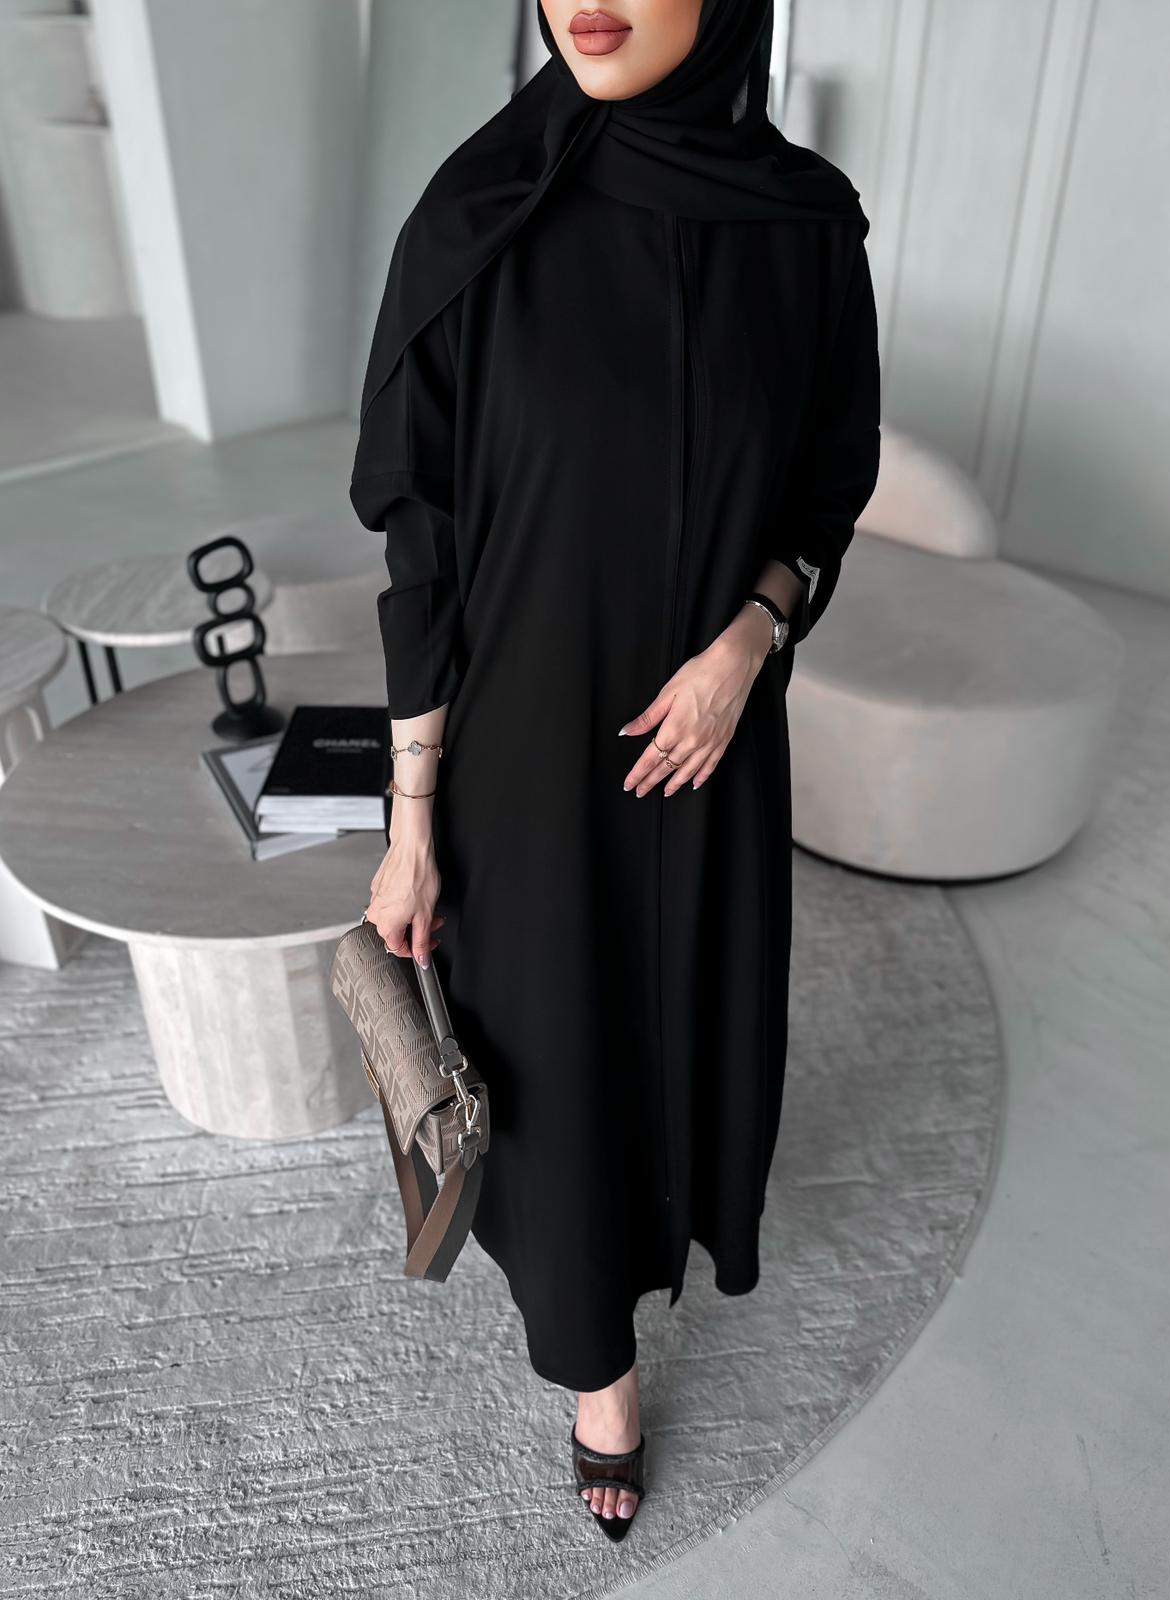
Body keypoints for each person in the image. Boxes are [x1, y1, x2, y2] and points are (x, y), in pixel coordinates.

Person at [351, 0, 880, 1542]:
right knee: (559, 1066)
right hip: (519, 759)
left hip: (710, 752)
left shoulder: (805, 228)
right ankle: (599, 1375)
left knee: (698, 1025)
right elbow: (424, 549)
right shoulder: (479, 217)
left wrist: (748, 645)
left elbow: (823, 489)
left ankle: (674, 1236)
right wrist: (412, 822)